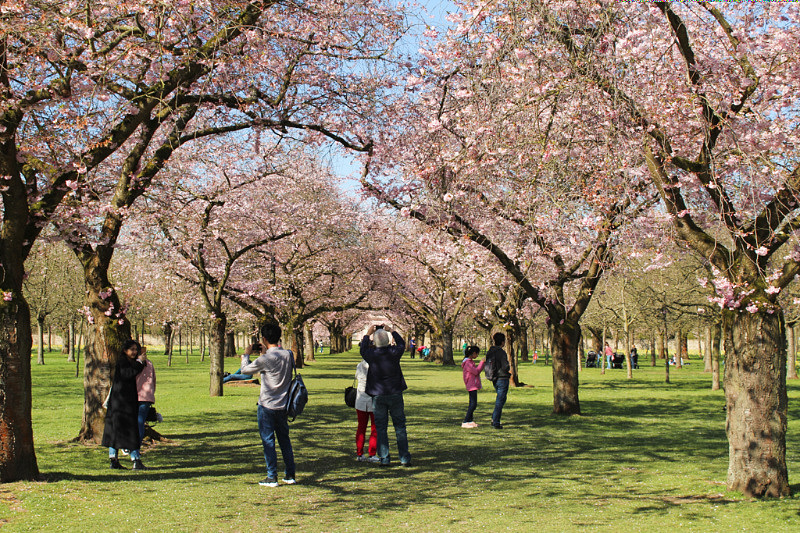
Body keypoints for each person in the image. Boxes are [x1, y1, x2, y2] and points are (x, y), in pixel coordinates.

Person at [240, 323, 296, 487]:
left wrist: (246, 354)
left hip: (267, 405)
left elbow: (245, 370)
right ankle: (290, 474)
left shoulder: (264, 359)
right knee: (284, 440)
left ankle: (272, 476)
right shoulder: (288, 355)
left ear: (264, 339)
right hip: (283, 404)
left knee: (268, 441)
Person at [360, 324, 410, 467]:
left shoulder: (371, 355)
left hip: (378, 394)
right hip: (395, 392)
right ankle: (404, 458)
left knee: (381, 428)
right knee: (400, 427)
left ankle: (385, 458)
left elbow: (363, 349)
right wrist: (392, 330)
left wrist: (367, 333)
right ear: (388, 341)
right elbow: (401, 344)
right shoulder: (394, 352)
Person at [102, 339, 147, 470]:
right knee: (128, 430)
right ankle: (134, 460)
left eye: (136, 350)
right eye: (132, 349)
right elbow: (128, 374)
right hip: (122, 402)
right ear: (125, 350)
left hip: (124, 400)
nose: (134, 352)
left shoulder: (129, 362)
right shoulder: (123, 362)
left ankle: (115, 459)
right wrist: (139, 362)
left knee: (118, 430)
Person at [354, 358, 379, 462]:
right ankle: (372, 453)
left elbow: (357, 377)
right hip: (373, 400)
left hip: (361, 400)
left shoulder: (359, 365)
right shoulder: (377, 366)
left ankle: (360, 453)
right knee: (374, 428)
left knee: (361, 427)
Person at [485, 332, 511, 429]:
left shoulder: (490, 351)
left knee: (501, 399)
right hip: (502, 377)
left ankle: (494, 418)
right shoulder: (501, 352)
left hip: (494, 377)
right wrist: (508, 368)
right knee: (500, 400)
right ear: (503, 342)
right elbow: (505, 366)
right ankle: (495, 421)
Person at [135, 345, 156, 451]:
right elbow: (153, 380)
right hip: (147, 396)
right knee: (140, 422)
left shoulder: (134, 364)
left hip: (136, 396)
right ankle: (136, 446)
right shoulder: (149, 363)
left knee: (137, 423)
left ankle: (134, 446)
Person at [461, 346, 485, 428]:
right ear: (473, 353)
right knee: (473, 404)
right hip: (471, 385)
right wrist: (482, 363)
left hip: (473, 385)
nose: (477, 355)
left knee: (472, 403)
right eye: (477, 354)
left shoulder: (470, 362)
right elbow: (476, 372)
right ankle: (465, 421)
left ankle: (470, 421)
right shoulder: (468, 363)